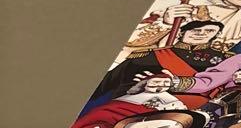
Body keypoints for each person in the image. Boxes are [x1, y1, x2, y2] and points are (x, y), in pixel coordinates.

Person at [91, 19, 231, 100]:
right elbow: (109, 81)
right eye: (195, 30)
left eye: (209, 31)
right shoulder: (148, 55)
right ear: (182, 32)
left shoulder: (224, 59)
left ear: (217, 34)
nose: (201, 34)